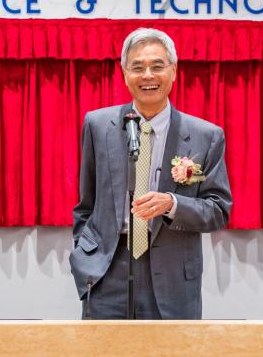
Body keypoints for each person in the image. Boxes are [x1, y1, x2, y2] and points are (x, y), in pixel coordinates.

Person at [69, 28, 232, 320]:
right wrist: (85, 256)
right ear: (124, 73)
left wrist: (173, 204)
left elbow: (218, 211)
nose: (148, 75)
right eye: (138, 67)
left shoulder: (205, 136)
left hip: (172, 275)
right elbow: (86, 203)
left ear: (174, 71)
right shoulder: (97, 125)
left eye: (157, 66)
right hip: (107, 270)